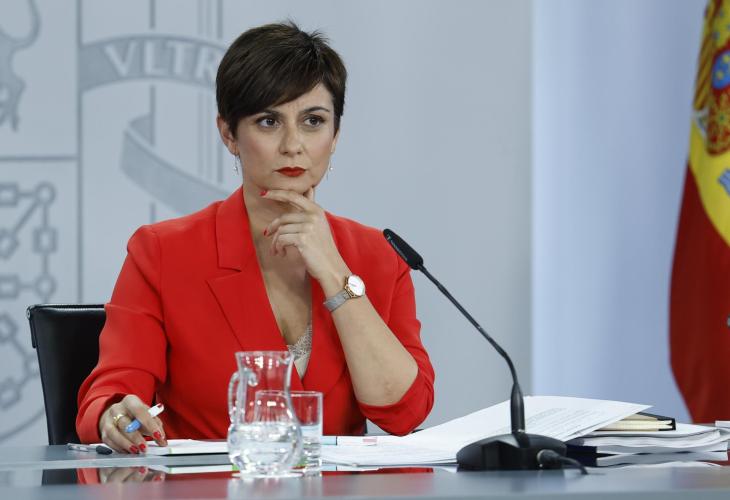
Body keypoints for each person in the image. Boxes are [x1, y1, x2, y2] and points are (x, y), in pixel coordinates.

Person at [76, 22, 435, 454]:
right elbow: (112, 391)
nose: (293, 145)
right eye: (268, 121)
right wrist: (113, 414)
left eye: (313, 121)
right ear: (229, 134)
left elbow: (404, 414)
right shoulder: (162, 252)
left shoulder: (379, 256)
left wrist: (335, 273)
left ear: (335, 135)